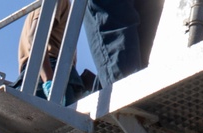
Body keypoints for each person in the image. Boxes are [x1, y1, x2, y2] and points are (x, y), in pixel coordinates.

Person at [17, 0, 150, 97]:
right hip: (47, 71)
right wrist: (49, 82)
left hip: (49, 71)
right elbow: (35, 37)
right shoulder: (57, 2)